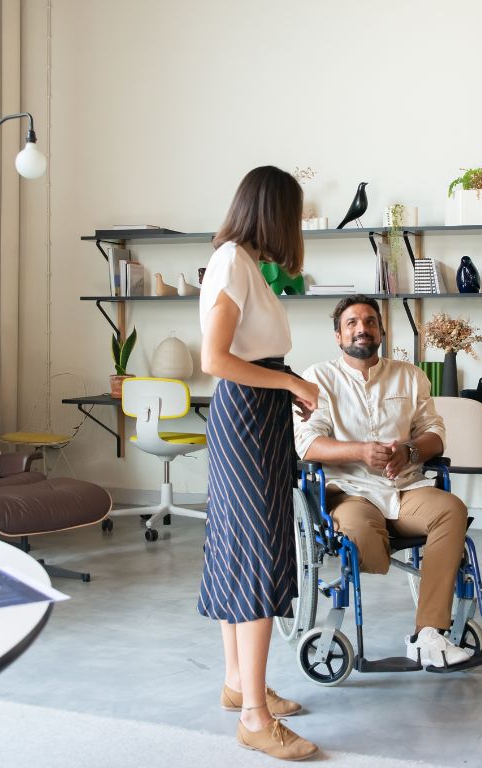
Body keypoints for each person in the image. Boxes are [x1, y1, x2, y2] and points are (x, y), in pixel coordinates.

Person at [197, 166, 320, 760]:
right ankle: (253, 716)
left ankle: (238, 684)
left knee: (242, 546)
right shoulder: (230, 263)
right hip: (246, 416)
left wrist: (285, 389)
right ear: (274, 212)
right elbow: (214, 359)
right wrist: (288, 379)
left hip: (260, 414)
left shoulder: (246, 265)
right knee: (257, 552)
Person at [294, 295, 474, 670]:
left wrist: (408, 452)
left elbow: (435, 435)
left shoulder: (410, 376)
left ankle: (428, 634)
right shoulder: (317, 378)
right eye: (352, 323)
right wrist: (359, 451)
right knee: (367, 547)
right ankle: (375, 543)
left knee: (451, 511)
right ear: (338, 335)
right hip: (351, 492)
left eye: (370, 322)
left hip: (406, 488)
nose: (362, 329)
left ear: (381, 330)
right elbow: (307, 442)